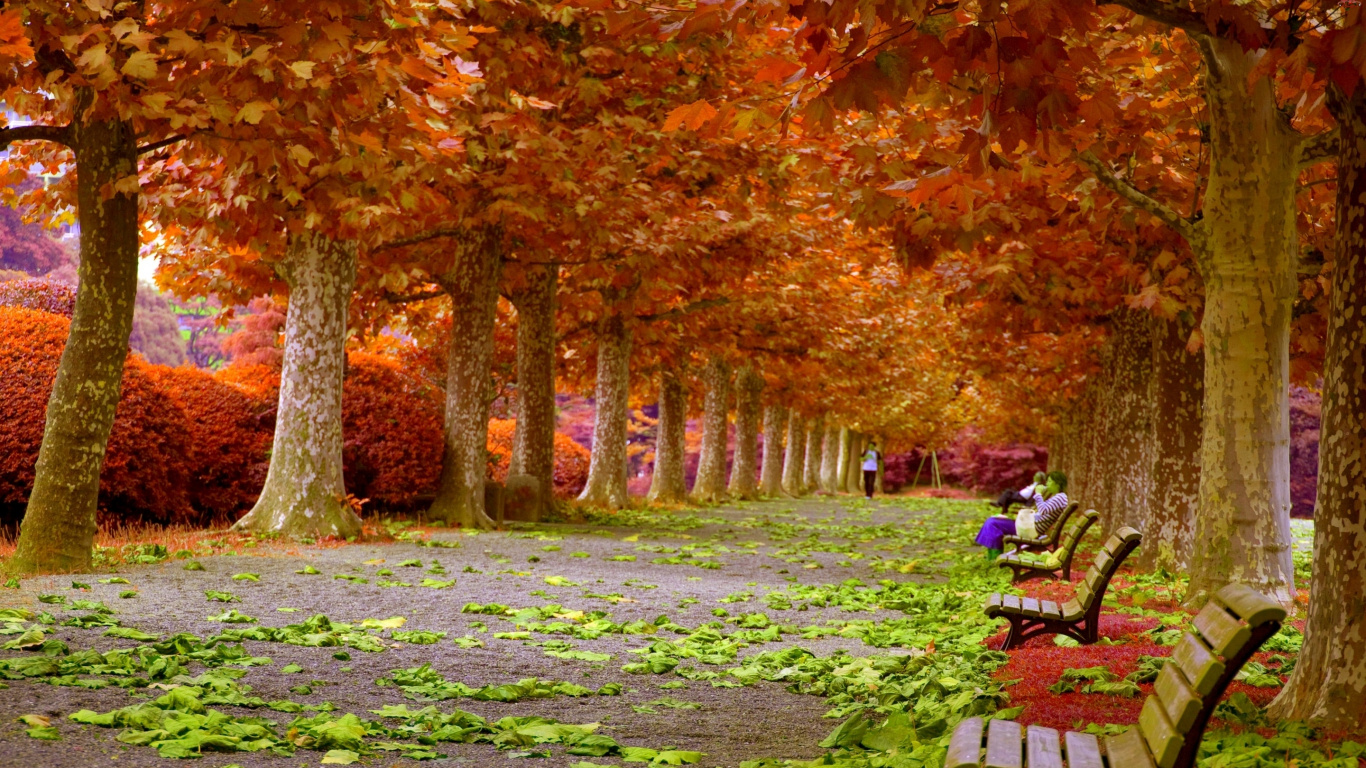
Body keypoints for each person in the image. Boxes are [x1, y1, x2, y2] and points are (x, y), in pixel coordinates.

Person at [974, 470, 1070, 559]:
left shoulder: (1060, 498)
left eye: (1049, 481)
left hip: (1031, 530)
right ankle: (993, 555)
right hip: (1030, 526)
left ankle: (994, 557)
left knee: (992, 523)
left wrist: (1038, 494)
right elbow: (1042, 512)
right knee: (993, 520)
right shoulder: (1059, 497)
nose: (1047, 484)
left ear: (1057, 484)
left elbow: (1042, 510)